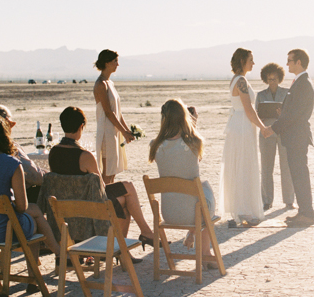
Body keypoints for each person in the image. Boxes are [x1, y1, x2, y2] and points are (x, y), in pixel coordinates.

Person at [0, 114, 60, 273]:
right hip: (5, 229)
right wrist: (10, 204)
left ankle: (57, 254)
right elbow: (22, 207)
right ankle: (39, 272)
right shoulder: (11, 163)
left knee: (33, 211)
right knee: (34, 217)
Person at [48, 107, 153, 250]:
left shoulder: (53, 153)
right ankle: (135, 241)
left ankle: (141, 237)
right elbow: (100, 188)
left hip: (65, 209)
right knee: (126, 197)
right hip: (89, 209)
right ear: (81, 126)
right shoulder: (84, 156)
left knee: (127, 188)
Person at [149, 99, 218, 268]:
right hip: (193, 213)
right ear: (184, 117)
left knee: (199, 195)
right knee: (205, 193)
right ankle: (205, 253)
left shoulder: (155, 146)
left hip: (169, 213)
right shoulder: (194, 143)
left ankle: (193, 233)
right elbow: (194, 160)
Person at [264, 49, 314, 227]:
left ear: (299, 62)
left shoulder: (303, 84)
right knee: (297, 174)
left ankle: (307, 214)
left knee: (300, 174)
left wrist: (273, 128)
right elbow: (293, 110)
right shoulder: (299, 82)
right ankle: (303, 212)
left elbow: (294, 114)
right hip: (294, 136)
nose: (287, 64)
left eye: (290, 60)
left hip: (297, 136)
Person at [219, 48, 267, 226]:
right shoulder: (241, 81)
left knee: (240, 165)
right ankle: (244, 210)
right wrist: (263, 127)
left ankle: (242, 208)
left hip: (238, 124)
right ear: (242, 61)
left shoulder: (236, 80)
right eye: (250, 60)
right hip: (242, 125)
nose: (253, 63)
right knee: (244, 165)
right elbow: (249, 109)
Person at [255, 62, 294, 211]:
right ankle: (266, 200)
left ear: (280, 78)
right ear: (265, 79)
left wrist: (281, 114)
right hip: (266, 132)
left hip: (283, 132)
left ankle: (289, 200)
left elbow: (291, 113)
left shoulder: (287, 93)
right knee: (266, 167)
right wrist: (261, 118)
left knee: (287, 167)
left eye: (275, 79)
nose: (273, 82)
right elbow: (256, 114)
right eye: (270, 79)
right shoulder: (260, 95)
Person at [93, 49, 134, 184]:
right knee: (107, 172)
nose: (117, 64)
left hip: (115, 131)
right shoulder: (100, 84)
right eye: (115, 61)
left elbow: (118, 112)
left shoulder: (110, 83)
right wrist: (123, 131)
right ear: (107, 63)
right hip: (106, 132)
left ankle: (111, 201)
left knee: (113, 171)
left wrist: (127, 131)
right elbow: (108, 112)